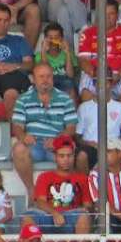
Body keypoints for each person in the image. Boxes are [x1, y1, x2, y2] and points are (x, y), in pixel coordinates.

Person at [10, 63, 80, 198]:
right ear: (33, 79)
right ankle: (31, 191)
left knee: (70, 150)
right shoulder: (23, 99)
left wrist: (57, 140)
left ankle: (68, 195)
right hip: (34, 144)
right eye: (41, 77)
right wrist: (23, 136)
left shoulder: (65, 99)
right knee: (18, 148)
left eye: (48, 76)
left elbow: (71, 127)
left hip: (56, 145)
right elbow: (17, 126)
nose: (45, 80)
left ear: (53, 78)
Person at [21, 135, 94, 235]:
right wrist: (55, 213)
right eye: (61, 156)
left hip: (70, 219)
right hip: (48, 217)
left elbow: (87, 206)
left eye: (69, 156)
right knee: (28, 217)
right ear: (55, 157)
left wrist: (86, 211)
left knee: (84, 216)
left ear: (74, 156)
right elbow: (40, 202)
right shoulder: (44, 176)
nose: (66, 159)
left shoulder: (82, 178)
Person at [77, 0, 121, 104]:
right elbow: (83, 61)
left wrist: (119, 75)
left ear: (117, 15)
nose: (107, 17)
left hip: (120, 74)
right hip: (94, 74)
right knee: (86, 95)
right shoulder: (87, 33)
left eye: (111, 13)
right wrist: (96, 75)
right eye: (104, 13)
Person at [77, 81, 121, 170]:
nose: (103, 85)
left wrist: (117, 143)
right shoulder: (84, 107)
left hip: (112, 145)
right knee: (82, 156)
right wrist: (89, 143)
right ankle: (84, 183)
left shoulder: (120, 107)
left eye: (107, 82)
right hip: (90, 146)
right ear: (94, 85)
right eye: (99, 82)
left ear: (112, 84)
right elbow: (77, 136)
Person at [34, 22, 77, 98]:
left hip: (65, 82)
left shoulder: (68, 54)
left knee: (70, 85)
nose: (53, 40)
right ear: (45, 39)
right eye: (50, 37)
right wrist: (43, 51)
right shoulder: (39, 55)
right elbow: (44, 73)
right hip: (47, 82)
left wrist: (67, 53)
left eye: (56, 37)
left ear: (61, 39)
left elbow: (70, 75)